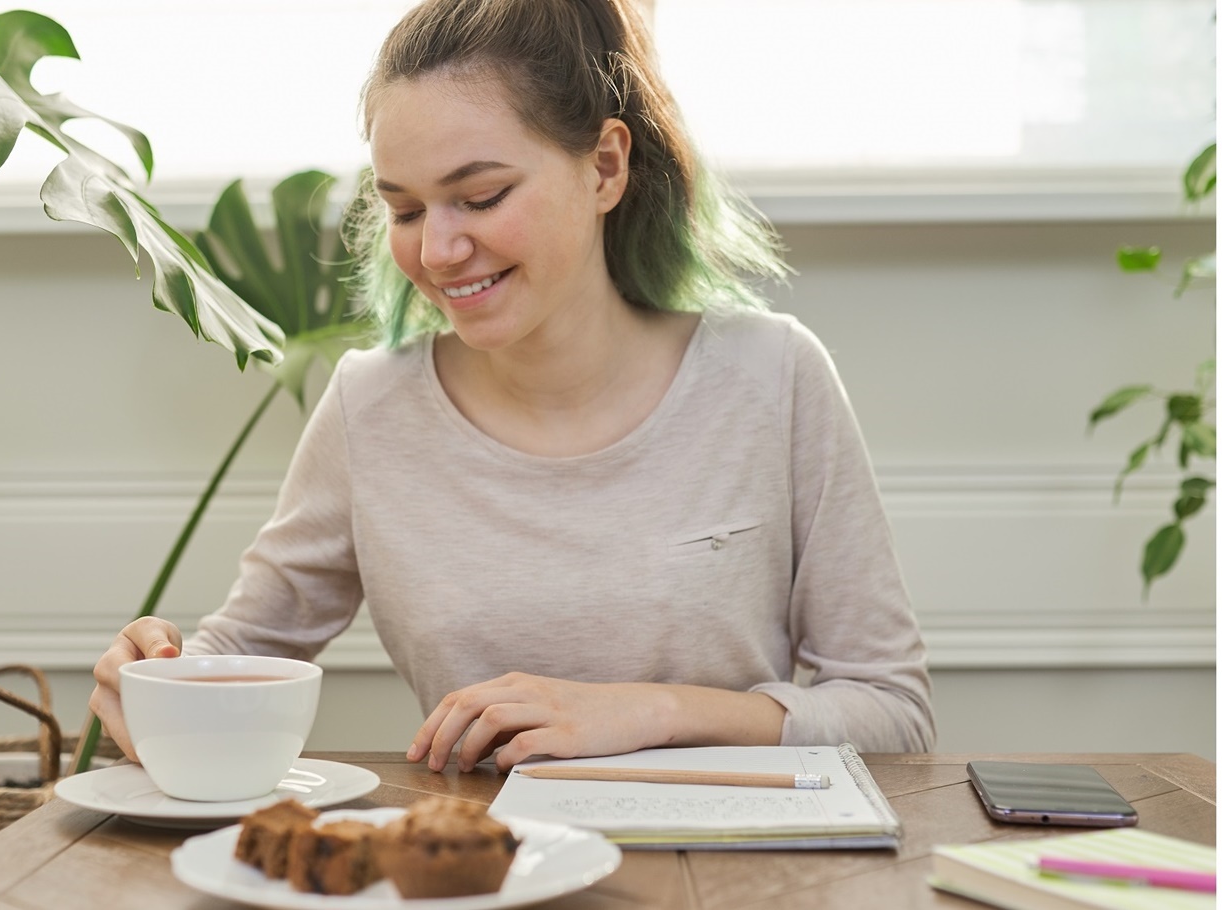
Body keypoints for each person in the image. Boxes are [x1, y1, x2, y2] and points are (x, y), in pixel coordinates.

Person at [91, 0, 935, 774]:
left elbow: (891, 713)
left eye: (480, 196)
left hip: (722, 873)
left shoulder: (773, 378)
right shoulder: (369, 407)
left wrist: (647, 712)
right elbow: (243, 649)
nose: (438, 251)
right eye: (408, 211)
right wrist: (159, 678)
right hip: (474, 867)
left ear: (604, 167)